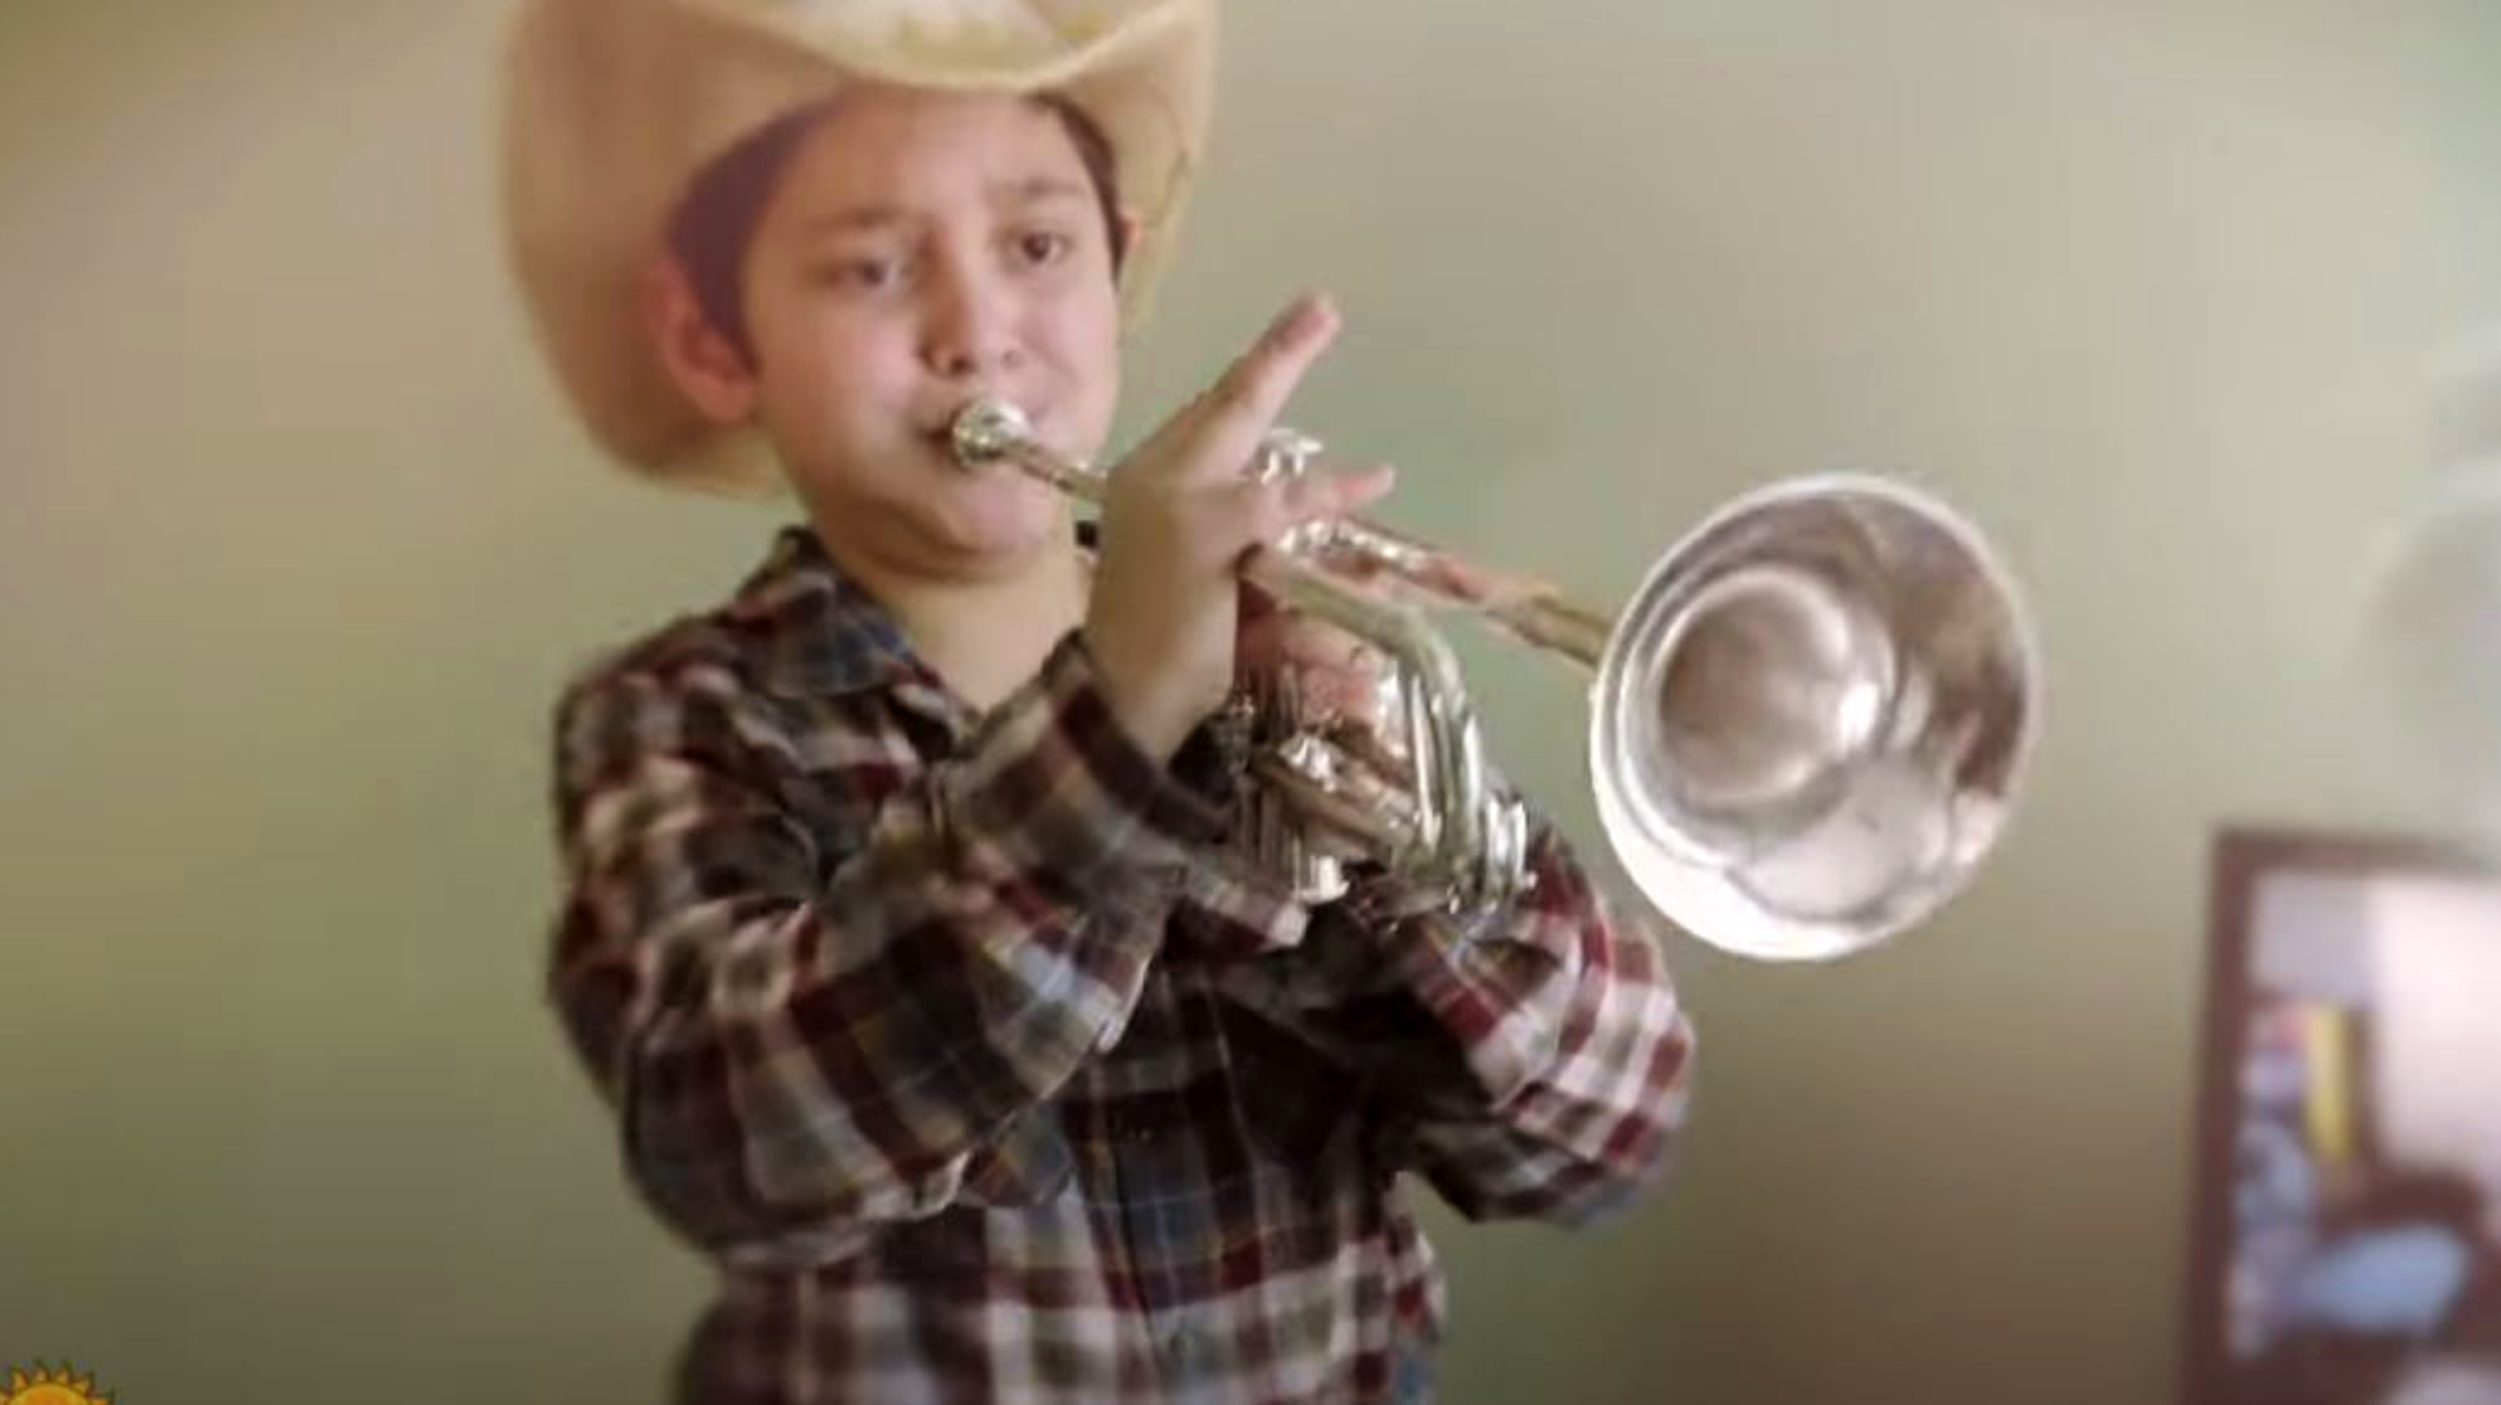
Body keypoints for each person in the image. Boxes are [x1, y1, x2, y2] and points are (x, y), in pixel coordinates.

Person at [502, 1, 1698, 1399]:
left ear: (1118, 266)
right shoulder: (677, 717)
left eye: (1035, 246)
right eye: (871, 267)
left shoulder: (1290, 655)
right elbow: (739, 1149)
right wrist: (1118, 717)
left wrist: (1397, 864)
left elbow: (1602, 1149)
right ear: (713, 338)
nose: (977, 332)